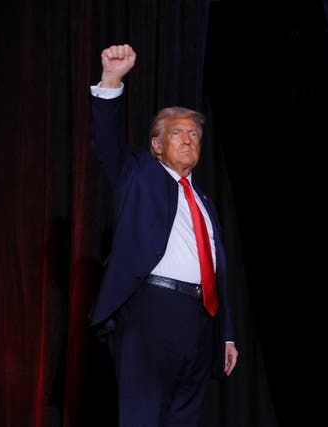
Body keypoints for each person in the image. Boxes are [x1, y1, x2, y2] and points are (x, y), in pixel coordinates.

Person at [88, 43, 238, 426]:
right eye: (178, 133)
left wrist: (226, 335)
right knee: (142, 417)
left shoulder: (205, 201)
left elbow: (218, 271)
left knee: (183, 419)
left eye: (194, 134)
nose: (189, 139)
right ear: (157, 145)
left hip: (199, 320)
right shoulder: (139, 173)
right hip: (151, 310)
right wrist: (112, 80)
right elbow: (107, 146)